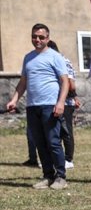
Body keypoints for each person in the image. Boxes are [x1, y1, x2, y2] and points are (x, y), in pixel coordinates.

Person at [6, 23, 70, 189]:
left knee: (53, 142)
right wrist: (14, 100)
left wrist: (61, 102)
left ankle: (61, 177)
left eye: (41, 37)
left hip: (50, 105)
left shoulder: (55, 56)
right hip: (32, 106)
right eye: (34, 36)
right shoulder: (28, 58)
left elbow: (65, 82)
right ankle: (48, 176)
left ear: (47, 38)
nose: (37, 40)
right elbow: (23, 83)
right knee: (40, 143)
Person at [45, 41, 79, 170]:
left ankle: (68, 159)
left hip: (64, 102)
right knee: (56, 132)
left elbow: (71, 84)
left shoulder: (62, 61)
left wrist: (72, 96)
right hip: (54, 101)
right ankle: (57, 159)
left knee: (65, 131)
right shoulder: (57, 60)